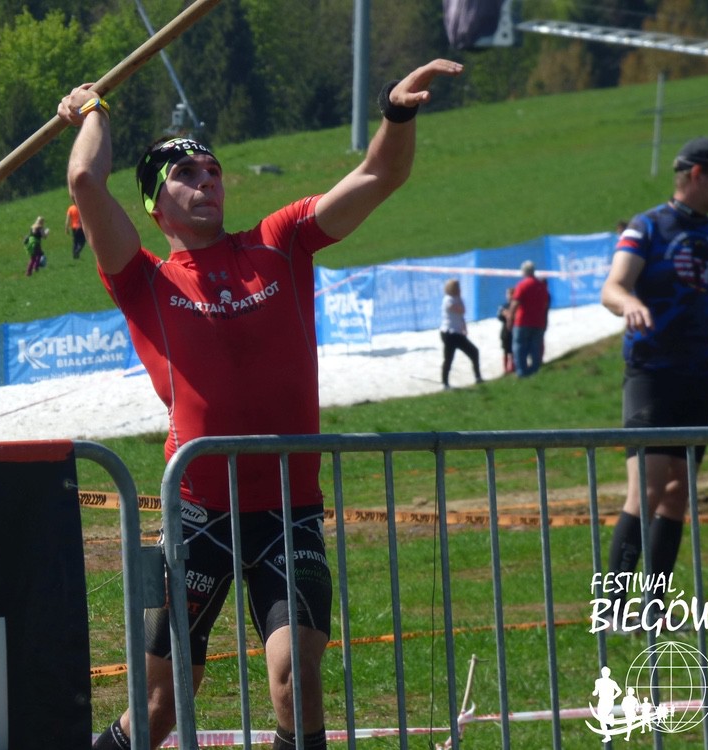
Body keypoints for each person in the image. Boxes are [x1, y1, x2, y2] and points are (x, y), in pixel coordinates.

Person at [58, 58, 464, 750]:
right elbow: (84, 181)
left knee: (294, 682)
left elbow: (378, 176)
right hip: (196, 515)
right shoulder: (143, 280)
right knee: (160, 707)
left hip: (287, 511)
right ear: (155, 204)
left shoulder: (280, 241)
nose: (206, 181)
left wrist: (396, 112)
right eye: (186, 174)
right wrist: (94, 112)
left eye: (213, 171)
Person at [600, 135, 708, 629]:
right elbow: (613, 287)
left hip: (699, 376)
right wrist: (630, 303)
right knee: (648, 487)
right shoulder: (648, 225)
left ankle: (653, 608)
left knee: (678, 492)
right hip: (652, 374)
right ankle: (612, 607)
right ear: (698, 174)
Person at [506, 260, 550, 377]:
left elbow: (515, 304)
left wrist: (510, 318)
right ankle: (535, 370)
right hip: (538, 321)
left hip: (523, 321)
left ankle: (522, 372)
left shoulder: (522, 285)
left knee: (519, 347)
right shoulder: (541, 286)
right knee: (535, 347)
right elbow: (545, 304)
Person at [439, 278, 482, 389]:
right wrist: (460, 303)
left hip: (457, 332)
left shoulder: (458, 298)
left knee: (474, 352)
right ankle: (445, 383)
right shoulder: (448, 300)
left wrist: (464, 327)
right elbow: (460, 310)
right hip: (449, 333)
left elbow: (461, 315)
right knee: (449, 358)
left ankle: (478, 377)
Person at [497, 286, 515, 373]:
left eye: (511, 294)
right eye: (508, 294)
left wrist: (509, 314)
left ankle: (512, 367)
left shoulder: (516, 306)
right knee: (505, 351)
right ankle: (505, 369)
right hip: (505, 332)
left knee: (512, 351)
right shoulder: (504, 306)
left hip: (514, 331)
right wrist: (504, 314)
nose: (510, 296)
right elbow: (499, 316)